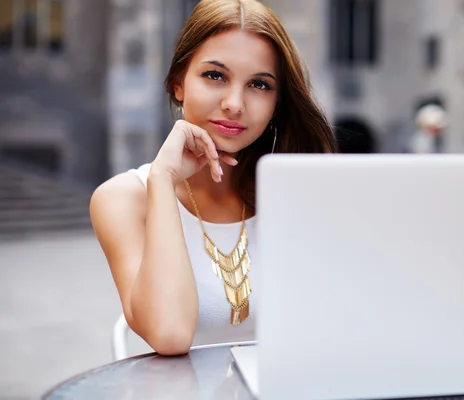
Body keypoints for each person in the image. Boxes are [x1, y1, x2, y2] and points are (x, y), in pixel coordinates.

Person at [90, 0, 337, 356]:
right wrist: (162, 178)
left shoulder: (295, 192)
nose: (235, 103)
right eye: (215, 76)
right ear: (178, 83)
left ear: (278, 103)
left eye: (260, 85)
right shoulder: (123, 198)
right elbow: (170, 334)